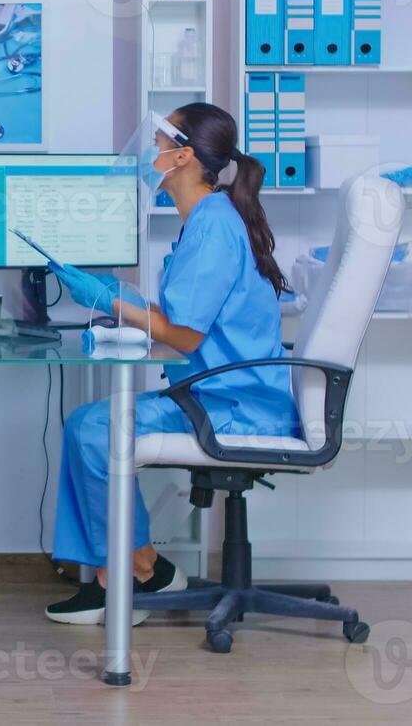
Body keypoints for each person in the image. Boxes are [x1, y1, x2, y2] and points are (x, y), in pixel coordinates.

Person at [44, 102, 296, 625]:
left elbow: (183, 334)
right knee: (87, 425)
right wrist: (122, 296)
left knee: (93, 428)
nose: (150, 150)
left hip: (233, 406)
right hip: (220, 392)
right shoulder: (211, 218)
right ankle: (134, 572)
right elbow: (185, 316)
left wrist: (112, 302)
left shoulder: (213, 226)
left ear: (182, 157)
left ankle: (132, 575)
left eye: (158, 141)